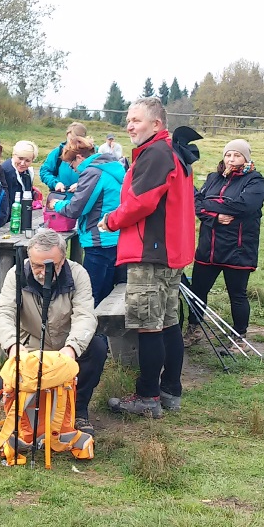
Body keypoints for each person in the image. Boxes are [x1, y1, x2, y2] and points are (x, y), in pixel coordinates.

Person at [98, 97, 201, 418]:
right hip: (170, 250)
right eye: (128, 119)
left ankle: (147, 396)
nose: (129, 125)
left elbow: (141, 202)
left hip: (151, 251)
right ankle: (170, 389)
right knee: (168, 322)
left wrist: (110, 221)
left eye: (137, 120)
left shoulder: (156, 153)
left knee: (148, 325)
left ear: (156, 124)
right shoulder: (171, 151)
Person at [0, 229, 108, 435]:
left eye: (50, 266)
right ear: (29, 259)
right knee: (4, 385)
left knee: (97, 346)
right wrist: (13, 346)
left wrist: (72, 348)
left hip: (66, 343)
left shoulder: (78, 274)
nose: (43, 272)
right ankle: (23, 416)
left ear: (63, 259)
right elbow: (2, 313)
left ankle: (78, 410)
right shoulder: (16, 274)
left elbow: (85, 315)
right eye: (36, 265)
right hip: (31, 347)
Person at [186, 139, 264, 344]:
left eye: (237, 155)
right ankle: (193, 329)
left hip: (238, 249)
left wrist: (210, 204)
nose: (231, 159)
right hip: (209, 247)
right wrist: (214, 216)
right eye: (228, 155)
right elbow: (197, 203)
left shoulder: (255, 181)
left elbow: (244, 206)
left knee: (237, 295)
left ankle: (239, 336)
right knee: (198, 291)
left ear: (246, 158)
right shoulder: (214, 178)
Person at [49, 135, 125, 306]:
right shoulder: (111, 167)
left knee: (90, 295)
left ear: (79, 157)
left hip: (97, 240)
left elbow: (76, 208)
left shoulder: (92, 172)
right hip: (114, 237)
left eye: (71, 164)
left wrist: (57, 204)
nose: (73, 169)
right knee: (106, 292)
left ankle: (90, 324)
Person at [39, 122, 87, 193]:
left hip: (84, 196)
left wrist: (81, 185)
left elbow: (98, 177)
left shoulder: (92, 153)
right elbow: (44, 171)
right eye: (70, 139)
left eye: (76, 141)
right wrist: (55, 183)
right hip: (61, 196)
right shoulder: (58, 152)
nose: (72, 143)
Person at [1, 140, 38, 205]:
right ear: (13, 155)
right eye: (20, 158)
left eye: (27, 160)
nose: (22, 163)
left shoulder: (27, 172)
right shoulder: (6, 172)